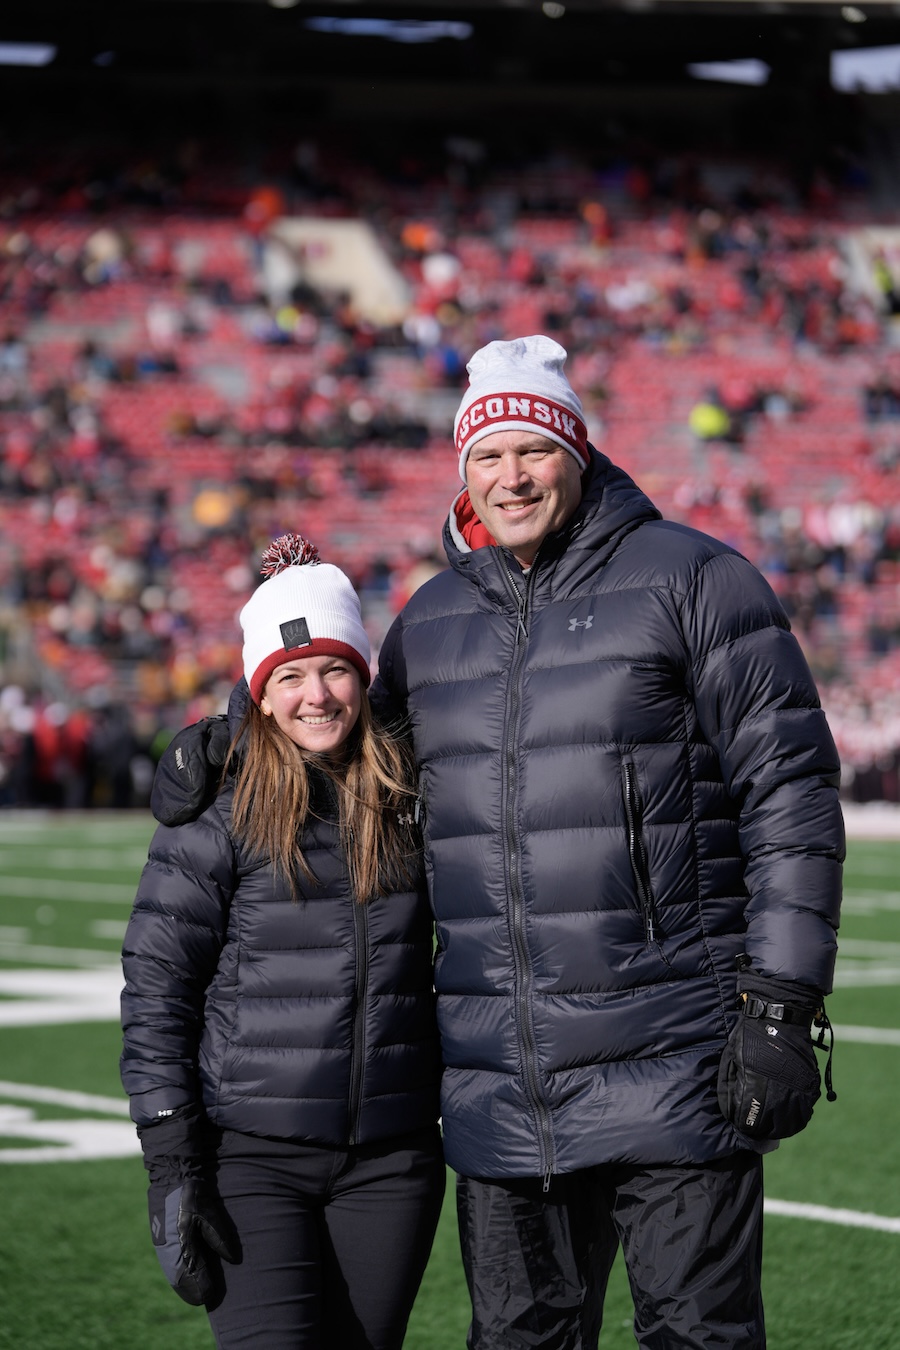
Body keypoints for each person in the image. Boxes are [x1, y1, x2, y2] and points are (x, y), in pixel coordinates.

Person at [152, 337, 844, 1350]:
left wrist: (782, 1005)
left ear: (576, 449)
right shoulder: (434, 622)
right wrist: (227, 733)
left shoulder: (699, 580)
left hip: (675, 1066)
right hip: (503, 1089)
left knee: (701, 1338)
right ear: (462, 470)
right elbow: (348, 751)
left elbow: (789, 789)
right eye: (487, 455)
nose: (510, 475)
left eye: (532, 448)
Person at [121, 532, 444, 1350]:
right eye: (289, 676)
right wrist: (170, 1162)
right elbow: (159, 988)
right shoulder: (220, 808)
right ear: (259, 693)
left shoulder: (413, 793)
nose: (317, 695)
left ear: (364, 679)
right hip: (252, 1159)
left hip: (392, 1158)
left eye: (335, 668)